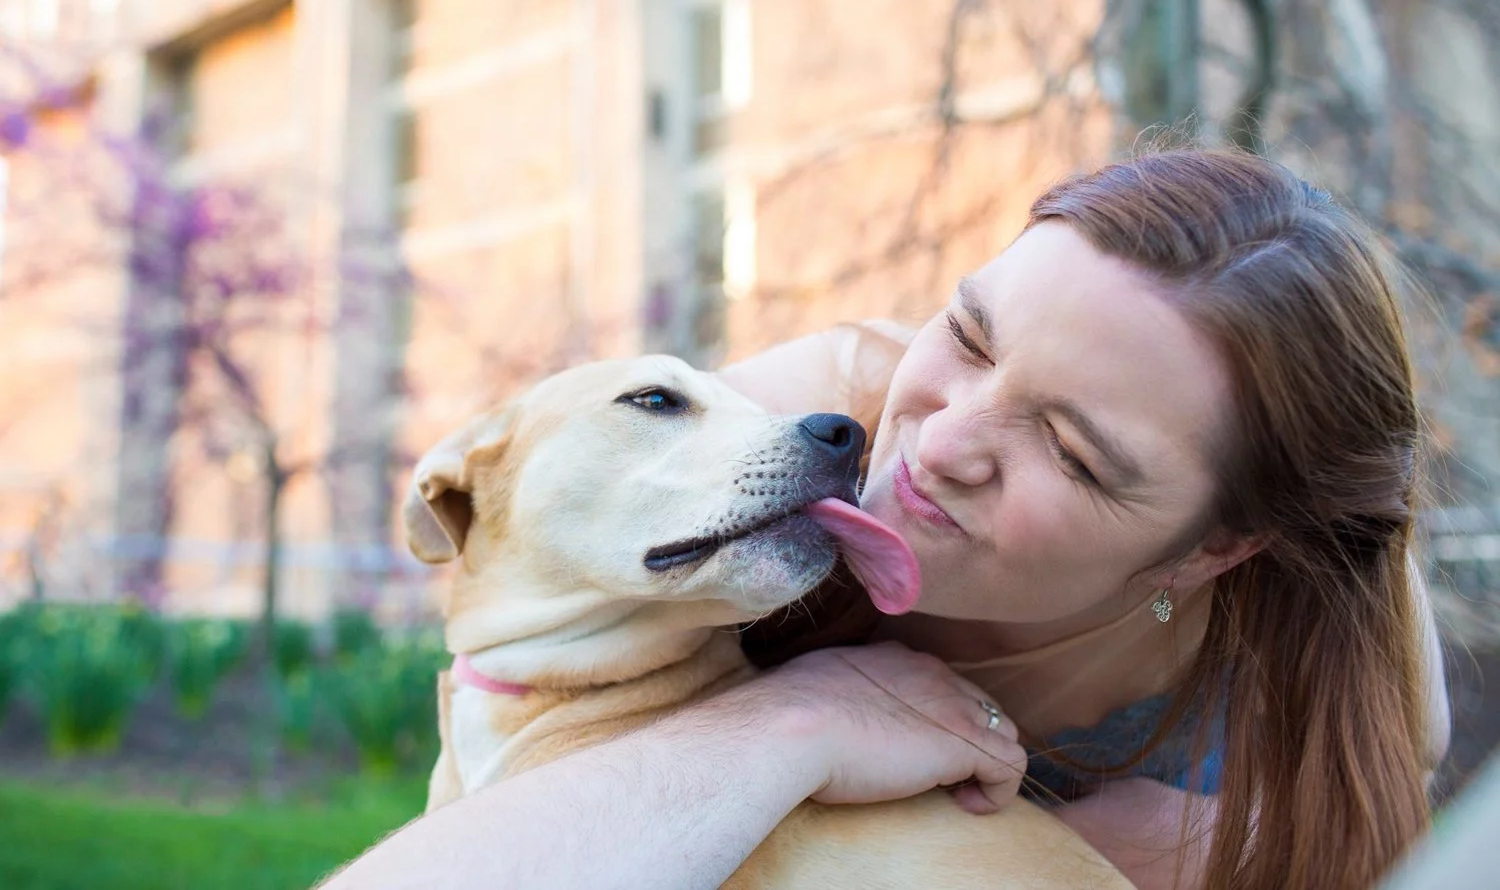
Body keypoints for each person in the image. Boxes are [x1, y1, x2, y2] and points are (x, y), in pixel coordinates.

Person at [324, 148, 1449, 890]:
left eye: (1070, 450)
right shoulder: (800, 422)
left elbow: (1389, 804)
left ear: (1219, 545)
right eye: (966, 333)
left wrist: (1228, 848)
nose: (942, 440)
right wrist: (800, 720)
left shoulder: (1331, 607)